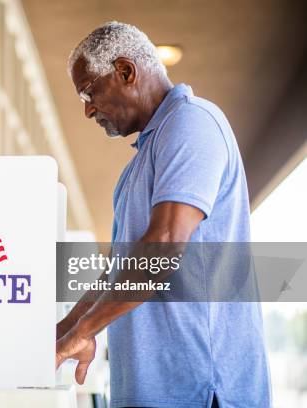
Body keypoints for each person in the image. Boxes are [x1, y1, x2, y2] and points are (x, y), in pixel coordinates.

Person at [56, 21, 271, 408]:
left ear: (125, 71)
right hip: (151, 390)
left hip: (200, 389)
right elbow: (117, 270)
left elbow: (165, 245)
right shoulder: (135, 169)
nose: (87, 110)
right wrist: (62, 333)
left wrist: (84, 330)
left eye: (89, 91)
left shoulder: (192, 123)